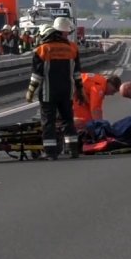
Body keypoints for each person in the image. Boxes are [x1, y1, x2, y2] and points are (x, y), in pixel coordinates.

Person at [26, 16, 82, 159]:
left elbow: (36, 76)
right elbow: (77, 73)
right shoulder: (72, 48)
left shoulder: (42, 50)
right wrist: (80, 90)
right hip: (67, 92)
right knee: (68, 120)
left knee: (48, 122)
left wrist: (31, 91)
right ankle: (73, 149)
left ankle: (50, 153)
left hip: (48, 93)